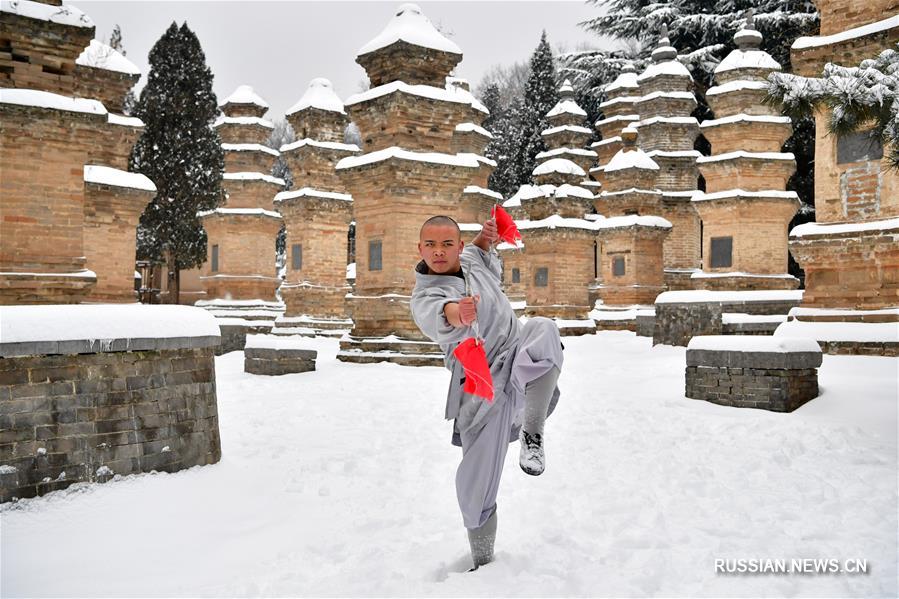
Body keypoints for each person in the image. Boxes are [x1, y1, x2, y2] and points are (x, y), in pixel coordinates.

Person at [410, 214, 564, 571]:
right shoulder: (426, 294)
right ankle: (483, 564)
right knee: (476, 486)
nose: (439, 251)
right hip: (480, 389)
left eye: (447, 243)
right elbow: (443, 314)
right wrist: (460, 315)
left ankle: (533, 432)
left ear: (458, 247)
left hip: (518, 359)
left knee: (543, 329)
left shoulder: (471, 259)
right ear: (419, 249)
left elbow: (479, 252)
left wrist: (485, 236)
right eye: (430, 245)